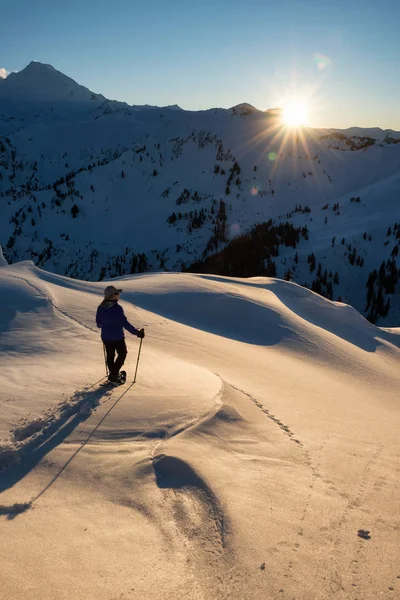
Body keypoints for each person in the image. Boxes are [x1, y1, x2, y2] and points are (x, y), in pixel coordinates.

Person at [96, 285, 144, 383]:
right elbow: (125, 323)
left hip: (105, 337)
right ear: (112, 296)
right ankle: (114, 375)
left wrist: (107, 323)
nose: (119, 295)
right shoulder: (117, 309)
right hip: (117, 337)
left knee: (110, 355)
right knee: (122, 354)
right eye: (117, 293)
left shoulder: (101, 307)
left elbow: (99, 324)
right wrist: (137, 333)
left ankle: (113, 374)